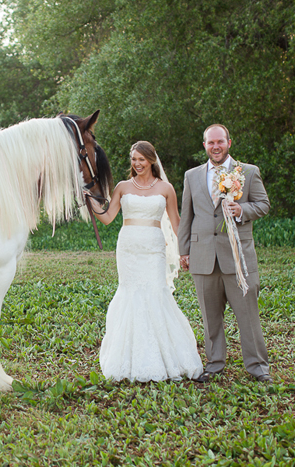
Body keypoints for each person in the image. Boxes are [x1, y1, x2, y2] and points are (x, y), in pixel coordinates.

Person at [86, 141, 203, 382]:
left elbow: (176, 222)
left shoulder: (166, 188)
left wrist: (185, 251)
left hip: (153, 247)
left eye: (142, 159)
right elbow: (108, 218)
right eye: (134, 159)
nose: (137, 164)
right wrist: (91, 200)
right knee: (130, 292)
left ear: (151, 160)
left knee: (155, 291)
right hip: (128, 247)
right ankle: (127, 356)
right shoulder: (122, 187)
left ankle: (167, 356)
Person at [178, 124, 271, 383]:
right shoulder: (192, 176)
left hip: (238, 257)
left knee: (248, 316)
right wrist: (184, 250)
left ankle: (258, 368)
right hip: (203, 255)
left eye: (220, 142)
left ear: (229, 142)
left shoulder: (248, 172)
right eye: (211, 143)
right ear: (204, 145)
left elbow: (263, 204)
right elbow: (187, 215)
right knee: (210, 317)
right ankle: (215, 364)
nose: (216, 147)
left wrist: (242, 211)